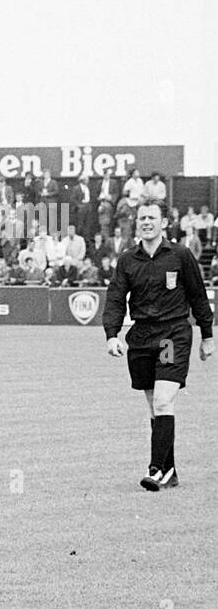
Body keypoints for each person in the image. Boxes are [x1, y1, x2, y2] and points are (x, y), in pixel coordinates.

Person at [104, 201, 213, 490]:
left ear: (164, 223)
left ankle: (155, 470)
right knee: (156, 408)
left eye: (152, 217)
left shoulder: (180, 255)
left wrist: (207, 336)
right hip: (141, 338)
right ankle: (170, 471)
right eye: (142, 218)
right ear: (136, 223)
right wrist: (112, 334)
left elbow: (199, 297)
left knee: (164, 401)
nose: (147, 222)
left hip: (172, 334)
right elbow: (116, 298)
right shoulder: (128, 260)